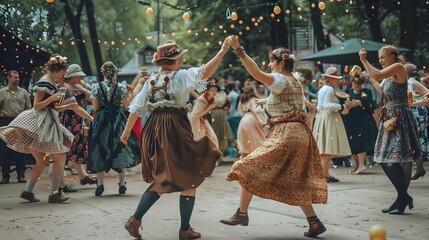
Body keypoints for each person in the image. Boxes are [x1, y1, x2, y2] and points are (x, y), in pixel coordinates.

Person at [220, 37, 327, 238]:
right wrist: (264, 100)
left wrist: (239, 50)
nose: (269, 65)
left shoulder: (279, 79)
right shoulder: (294, 80)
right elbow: (285, 97)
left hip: (286, 133)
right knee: (296, 180)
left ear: (281, 63)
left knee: (247, 166)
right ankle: (314, 223)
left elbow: (256, 74)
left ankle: (242, 213)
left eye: (272, 61)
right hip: (300, 134)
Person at [120, 39, 226, 240]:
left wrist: (125, 134)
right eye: (180, 58)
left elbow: (136, 108)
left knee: (182, 176)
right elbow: (205, 72)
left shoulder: (151, 81)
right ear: (175, 60)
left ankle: (180, 228)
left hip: (154, 128)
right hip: (174, 128)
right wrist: (221, 53)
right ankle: (137, 220)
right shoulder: (181, 76)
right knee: (175, 176)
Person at [0, 54, 75, 203]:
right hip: (39, 122)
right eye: (63, 71)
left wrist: (66, 106)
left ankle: (28, 191)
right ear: (58, 69)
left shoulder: (50, 82)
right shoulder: (45, 82)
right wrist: (53, 98)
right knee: (60, 156)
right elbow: (37, 106)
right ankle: (54, 194)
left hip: (44, 121)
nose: (64, 74)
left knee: (42, 161)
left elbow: (49, 107)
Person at [359, 45, 420, 214]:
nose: (380, 61)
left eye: (383, 57)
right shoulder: (388, 75)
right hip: (390, 117)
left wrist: (363, 60)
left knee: (397, 158)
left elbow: (377, 74)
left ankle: (402, 199)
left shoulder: (399, 67)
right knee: (385, 158)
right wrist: (371, 80)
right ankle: (403, 198)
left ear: (393, 56)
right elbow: (381, 87)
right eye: (379, 58)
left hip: (400, 117)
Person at [87, 61, 140, 197]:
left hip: (102, 121)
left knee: (100, 148)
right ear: (115, 72)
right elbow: (127, 105)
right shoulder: (121, 87)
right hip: (118, 119)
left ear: (102, 72)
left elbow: (95, 108)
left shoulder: (96, 87)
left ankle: (100, 184)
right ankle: (122, 184)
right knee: (120, 148)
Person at [57, 64, 97, 192]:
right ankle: (60, 182)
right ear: (72, 76)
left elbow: (94, 95)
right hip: (67, 120)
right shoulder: (63, 87)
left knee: (78, 147)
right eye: (79, 75)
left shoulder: (81, 84)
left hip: (79, 119)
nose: (81, 77)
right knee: (64, 151)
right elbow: (61, 105)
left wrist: (85, 90)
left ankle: (83, 176)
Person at [312, 67, 352, 182]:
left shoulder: (323, 89)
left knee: (324, 148)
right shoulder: (329, 89)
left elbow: (320, 106)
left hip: (323, 117)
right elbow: (327, 105)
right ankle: (324, 175)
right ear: (329, 79)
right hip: (329, 117)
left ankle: (325, 173)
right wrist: (341, 107)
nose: (337, 81)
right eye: (335, 79)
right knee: (327, 148)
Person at [0, 70, 32, 184]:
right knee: (5, 150)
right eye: (15, 77)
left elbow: (28, 107)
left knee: (20, 148)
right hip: (5, 121)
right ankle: (5, 176)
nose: (17, 79)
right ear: (9, 78)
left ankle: (21, 175)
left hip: (20, 121)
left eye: (18, 77)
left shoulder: (23, 92)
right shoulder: (2, 92)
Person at [342, 74, 378, 174]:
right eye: (355, 83)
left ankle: (362, 165)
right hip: (351, 120)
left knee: (361, 141)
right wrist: (348, 105)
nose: (357, 85)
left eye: (360, 83)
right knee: (352, 143)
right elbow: (344, 107)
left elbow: (371, 107)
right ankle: (357, 165)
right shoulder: (347, 92)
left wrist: (361, 103)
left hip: (363, 120)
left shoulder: (366, 92)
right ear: (352, 82)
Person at [405, 63, 428, 180]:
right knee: (415, 140)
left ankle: (419, 167)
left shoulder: (413, 83)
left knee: (418, 139)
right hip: (411, 113)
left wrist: (416, 103)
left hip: (418, 113)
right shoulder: (405, 83)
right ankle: (419, 168)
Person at [235, 79, 266, 156]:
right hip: (252, 118)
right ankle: (256, 156)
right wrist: (264, 107)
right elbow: (256, 110)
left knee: (246, 139)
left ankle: (245, 156)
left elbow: (239, 109)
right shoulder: (253, 99)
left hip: (244, 119)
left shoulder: (242, 97)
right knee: (256, 138)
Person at [188, 83, 220, 147]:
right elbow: (197, 115)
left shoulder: (213, 99)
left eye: (215, 90)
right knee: (197, 137)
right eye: (212, 90)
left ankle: (213, 154)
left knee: (212, 136)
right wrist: (210, 107)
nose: (214, 92)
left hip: (201, 118)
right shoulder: (201, 100)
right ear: (207, 91)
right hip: (195, 119)